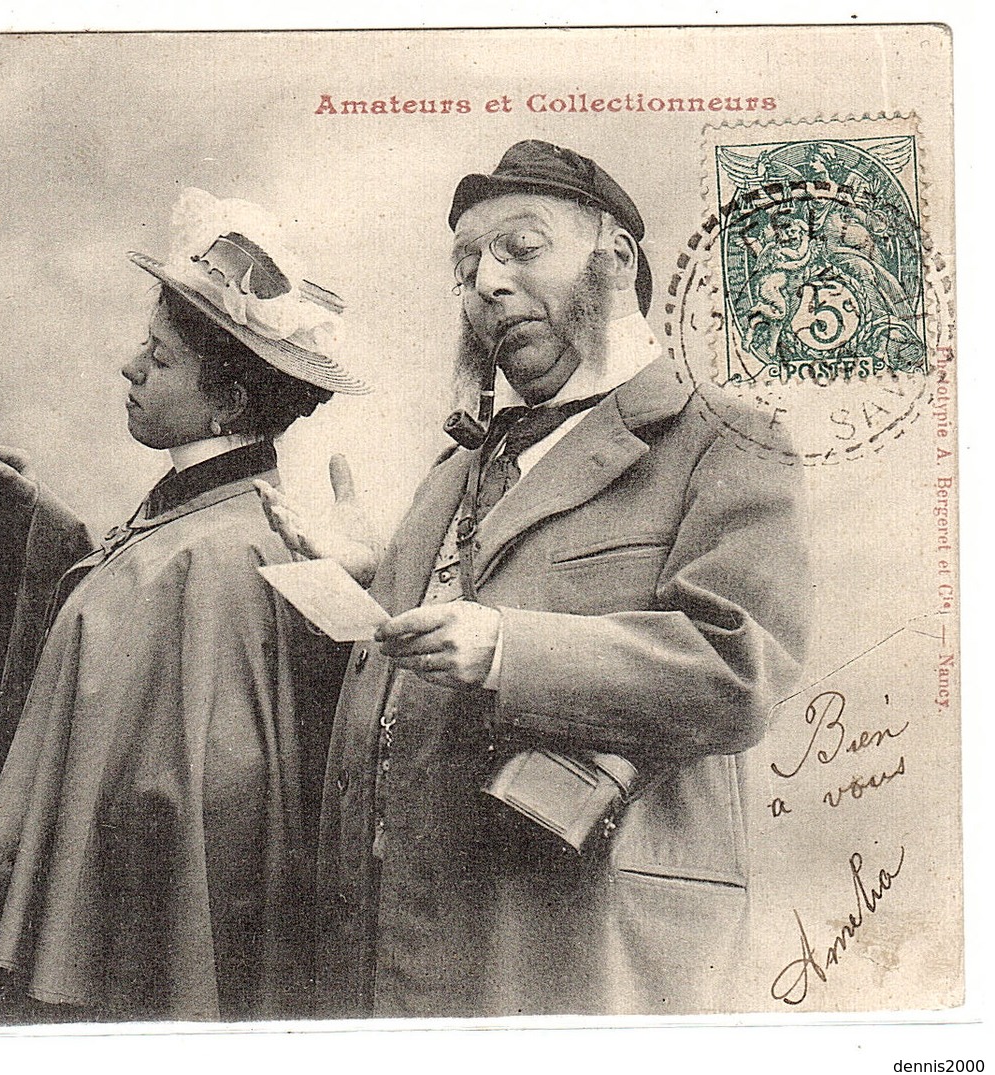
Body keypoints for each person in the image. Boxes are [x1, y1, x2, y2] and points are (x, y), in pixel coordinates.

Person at [259, 141, 810, 1018]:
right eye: (468, 264)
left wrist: (508, 646)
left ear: (616, 259)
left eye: (521, 248)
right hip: (407, 944)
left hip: (579, 948)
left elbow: (737, 671)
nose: (485, 282)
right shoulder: (456, 470)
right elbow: (418, 669)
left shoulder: (722, 441)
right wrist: (367, 581)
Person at [0, 188, 368, 1023]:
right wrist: (34, 516)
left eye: (161, 356)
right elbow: (119, 605)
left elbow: (205, 793)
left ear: (230, 402)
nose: (130, 365)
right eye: (145, 344)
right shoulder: (192, 514)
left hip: (147, 929)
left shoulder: (225, 554)